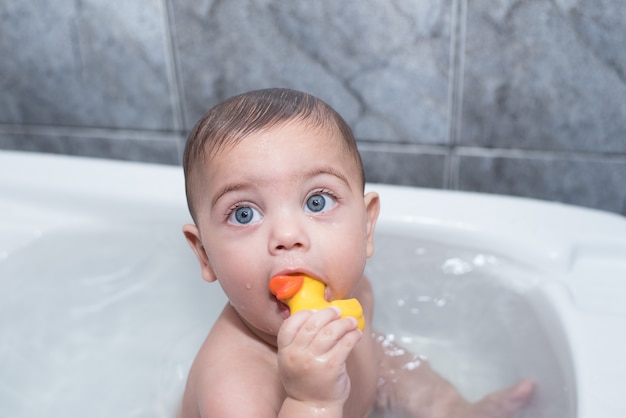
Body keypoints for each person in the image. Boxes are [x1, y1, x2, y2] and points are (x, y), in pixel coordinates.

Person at [180, 88, 534, 417]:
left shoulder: (355, 292)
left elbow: (382, 361)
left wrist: (448, 406)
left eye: (317, 201)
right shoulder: (232, 390)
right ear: (205, 255)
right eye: (245, 214)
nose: (287, 236)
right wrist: (310, 400)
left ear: (366, 226)